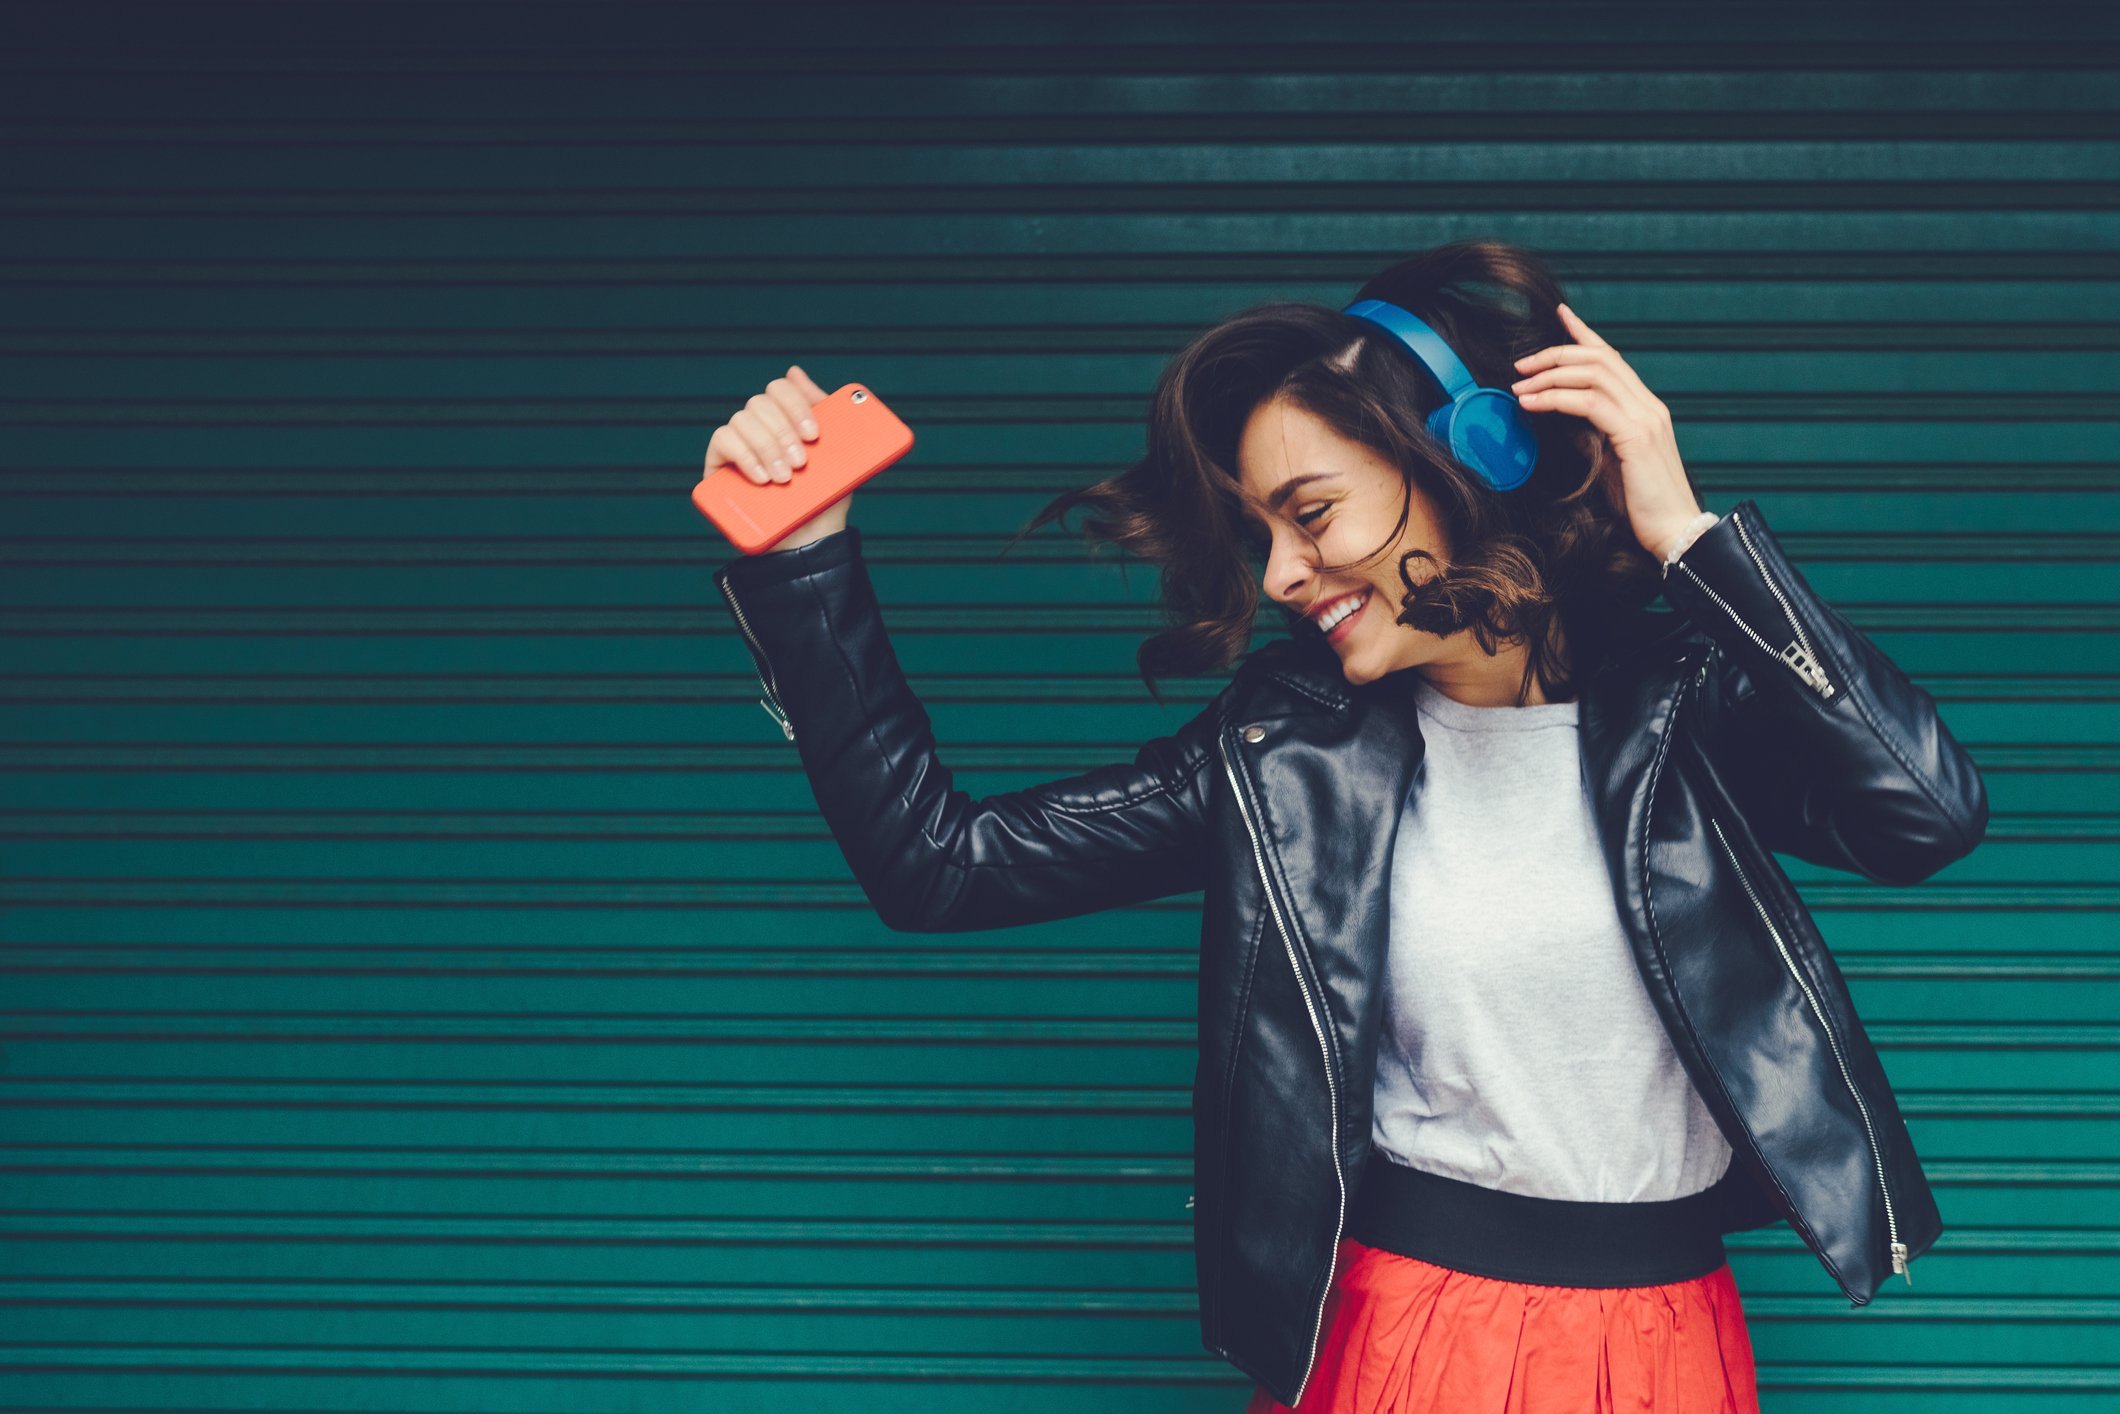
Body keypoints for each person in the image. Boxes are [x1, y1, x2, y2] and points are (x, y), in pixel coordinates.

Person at [697, 239, 1988, 1413]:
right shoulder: (1285, 748)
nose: (1280, 576)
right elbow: (941, 864)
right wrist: (805, 562)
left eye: (1309, 514)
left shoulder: (1689, 712)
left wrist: (1690, 538)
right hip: (1408, 1338)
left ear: (1469, 459)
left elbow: (1926, 812)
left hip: (1668, 1346)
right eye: (1265, 531)